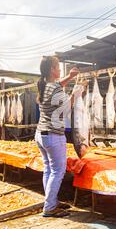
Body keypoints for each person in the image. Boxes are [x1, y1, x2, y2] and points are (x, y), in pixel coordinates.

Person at [35, 56, 81, 218]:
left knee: (49, 169)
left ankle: (51, 201)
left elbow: (57, 85)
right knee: (57, 171)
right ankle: (49, 207)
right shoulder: (54, 89)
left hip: (41, 134)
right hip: (53, 135)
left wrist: (69, 77)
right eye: (58, 67)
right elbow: (65, 110)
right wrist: (76, 93)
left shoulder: (44, 85)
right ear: (52, 70)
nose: (60, 69)